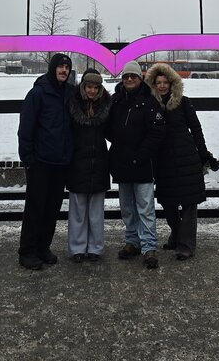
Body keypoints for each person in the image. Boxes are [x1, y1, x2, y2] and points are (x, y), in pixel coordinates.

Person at [145, 61, 217, 261]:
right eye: (158, 82)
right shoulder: (150, 105)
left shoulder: (183, 103)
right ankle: (176, 234)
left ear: (171, 83)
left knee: (188, 204)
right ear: (153, 84)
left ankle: (186, 244)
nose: (162, 86)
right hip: (163, 161)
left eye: (165, 82)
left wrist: (203, 153)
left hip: (187, 159)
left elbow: (196, 128)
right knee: (168, 203)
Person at [17, 53, 74, 270]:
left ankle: (43, 247)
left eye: (67, 67)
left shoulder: (70, 93)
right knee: (35, 207)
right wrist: (28, 158)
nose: (64, 70)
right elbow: (26, 128)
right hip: (40, 162)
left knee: (52, 208)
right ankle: (27, 251)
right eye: (60, 66)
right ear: (52, 68)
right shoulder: (38, 93)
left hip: (61, 162)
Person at [107, 60, 165, 269]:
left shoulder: (150, 101)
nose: (129, 79)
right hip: (122, 162)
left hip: (142, 164)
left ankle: (149, 246)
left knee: (145, 208)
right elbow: (108, 129)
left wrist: (140, 155)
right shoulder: (115, 101)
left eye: (133, 76)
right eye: (126, 76)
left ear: (140, 79)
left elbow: (156, 133)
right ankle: (132, 241)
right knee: (127, 208)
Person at [65, 68, 111, 262]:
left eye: (95, 87)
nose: (92, 91)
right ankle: (77, 248)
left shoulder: (107, 106)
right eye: (89, 87)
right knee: (77, 210)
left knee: (96, 211)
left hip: (99, 162)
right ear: (83, 87)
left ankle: (95, 247)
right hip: (77, 162)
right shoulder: (72, 104)